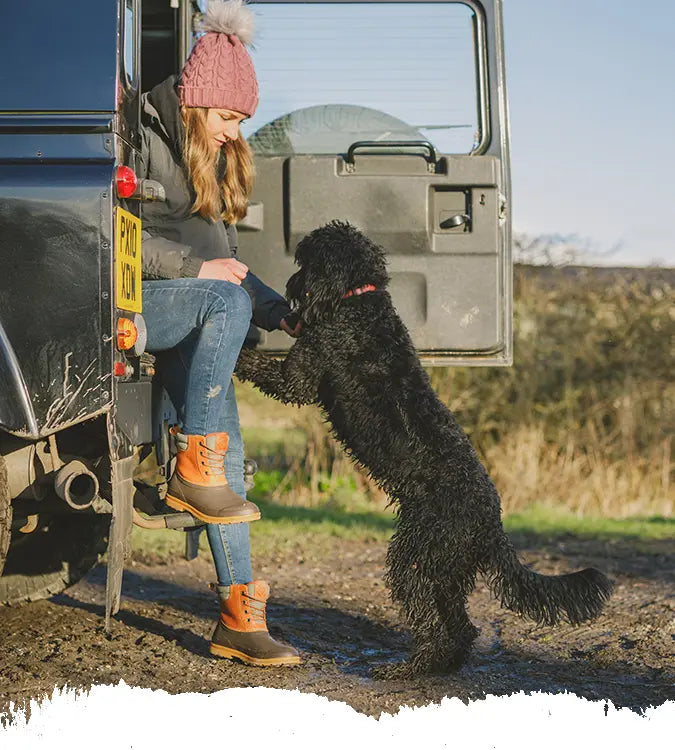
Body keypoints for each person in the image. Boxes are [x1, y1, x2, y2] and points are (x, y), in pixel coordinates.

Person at [138, 0, 300, 666]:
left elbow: (227, 268)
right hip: (147, 301)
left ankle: (238, 617)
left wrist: (278, 309)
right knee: (221, 304)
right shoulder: (147, 138)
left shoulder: (213, 159)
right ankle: (189, 464)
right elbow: (120, 238)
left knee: (228, 471)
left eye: (242, 122)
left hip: (204, 302)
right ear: (196, 103)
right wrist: (198, 269)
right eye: (228, 118)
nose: (236, 134)